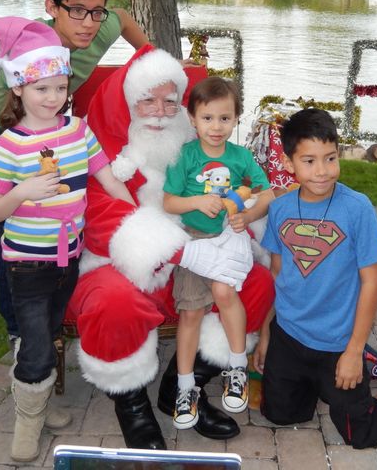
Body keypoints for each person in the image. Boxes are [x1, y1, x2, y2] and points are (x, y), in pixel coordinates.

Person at [65, 45, 276, 450]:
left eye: (169, 101)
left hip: (195, 254)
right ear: (127, 104)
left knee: (257, 283)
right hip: (120, 263)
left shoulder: (197, 152)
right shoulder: (102, 156)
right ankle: (131, 404)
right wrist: (184, 251)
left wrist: (241, 217)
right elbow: (102, 220)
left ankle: (183, 385)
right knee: (111, 302)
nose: (161, 111)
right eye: (147, 100)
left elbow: (237, 190)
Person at [0, 17, 136, 463]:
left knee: (48, 335)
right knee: (33, 342)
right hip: (27, 263)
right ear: (18, 90)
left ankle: (39, 400)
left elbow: (106, 177)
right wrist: (21, 192)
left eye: (59, 87)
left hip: (69, 256)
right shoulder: (9, 145)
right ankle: (27, 423)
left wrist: (136, 214)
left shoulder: (77, 131)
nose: (53, 98)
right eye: (40, 89)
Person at [254, 108, 377, 449]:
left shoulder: (357, 208)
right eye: (309, 160)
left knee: (361, 433)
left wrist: (353, 350)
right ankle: (354, 370)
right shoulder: (280, 208)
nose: (322, 171)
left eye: (330, 158)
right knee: (280, 414)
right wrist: (265, 335)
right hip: (289, 335)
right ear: (289, 164)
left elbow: (371, 282)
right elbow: (278, 274)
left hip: (338, 342)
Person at [0, 0, 149, 344]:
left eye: (95, 11)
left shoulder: (103, 22)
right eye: (76, 10)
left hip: (54, 128)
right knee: (13, 221)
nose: (88, 22)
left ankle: (58, 306)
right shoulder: (36, 44)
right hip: (2, 127)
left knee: (63, 204)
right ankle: (18, 329)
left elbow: (121, 18)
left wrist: (151, 52)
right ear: (51, 7)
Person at [163, 76, 275, 428]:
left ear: (236, 119)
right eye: (207, 118)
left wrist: (246, 214)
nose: (216, 126)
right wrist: (197, 200)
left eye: (224, 118)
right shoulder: (185, 155)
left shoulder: (241, 157)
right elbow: (168, 201)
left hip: (229, 236)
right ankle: (185, 387)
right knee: (192, 312)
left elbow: (267, 192)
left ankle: (237, 367)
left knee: (226, 291)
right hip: (195, 241)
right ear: (193, 119)